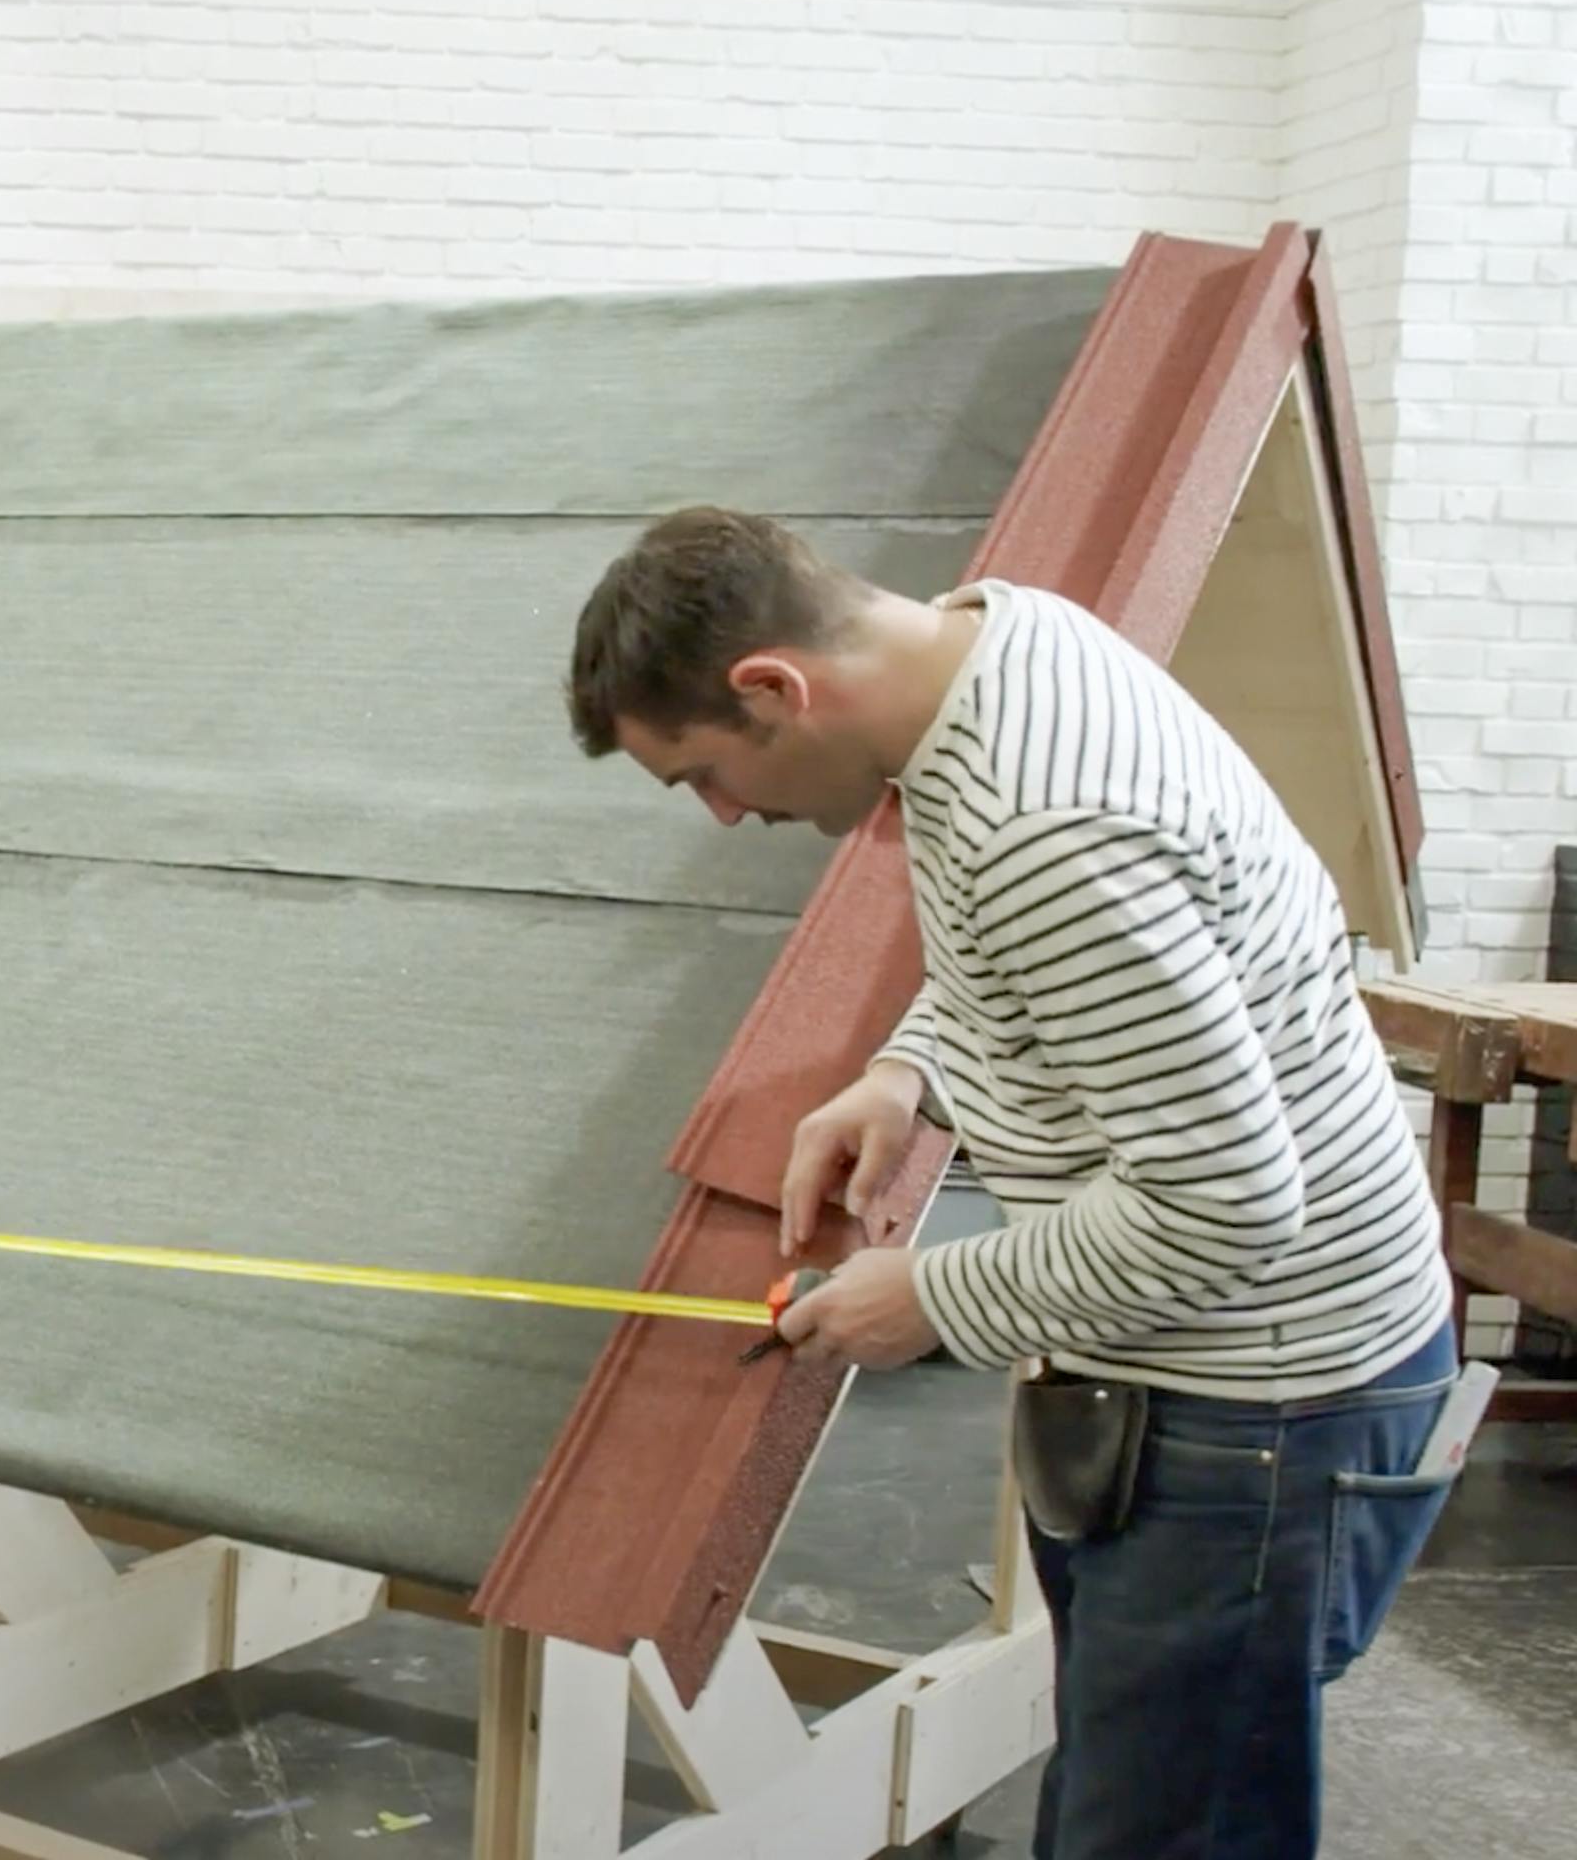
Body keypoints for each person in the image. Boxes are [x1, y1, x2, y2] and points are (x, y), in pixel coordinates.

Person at [565, 506, 1459, 1860]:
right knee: (1134, 1792)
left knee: (1161, 1831)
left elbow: (1222, 1205)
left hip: (1262, 1406)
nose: (728, 814)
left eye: (703, 774)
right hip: (1228, 1378)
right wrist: (907, 1070)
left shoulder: (1050, 822)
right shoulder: (1001, 640)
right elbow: (1025, 963)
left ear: (773, 686)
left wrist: (929, 1293)